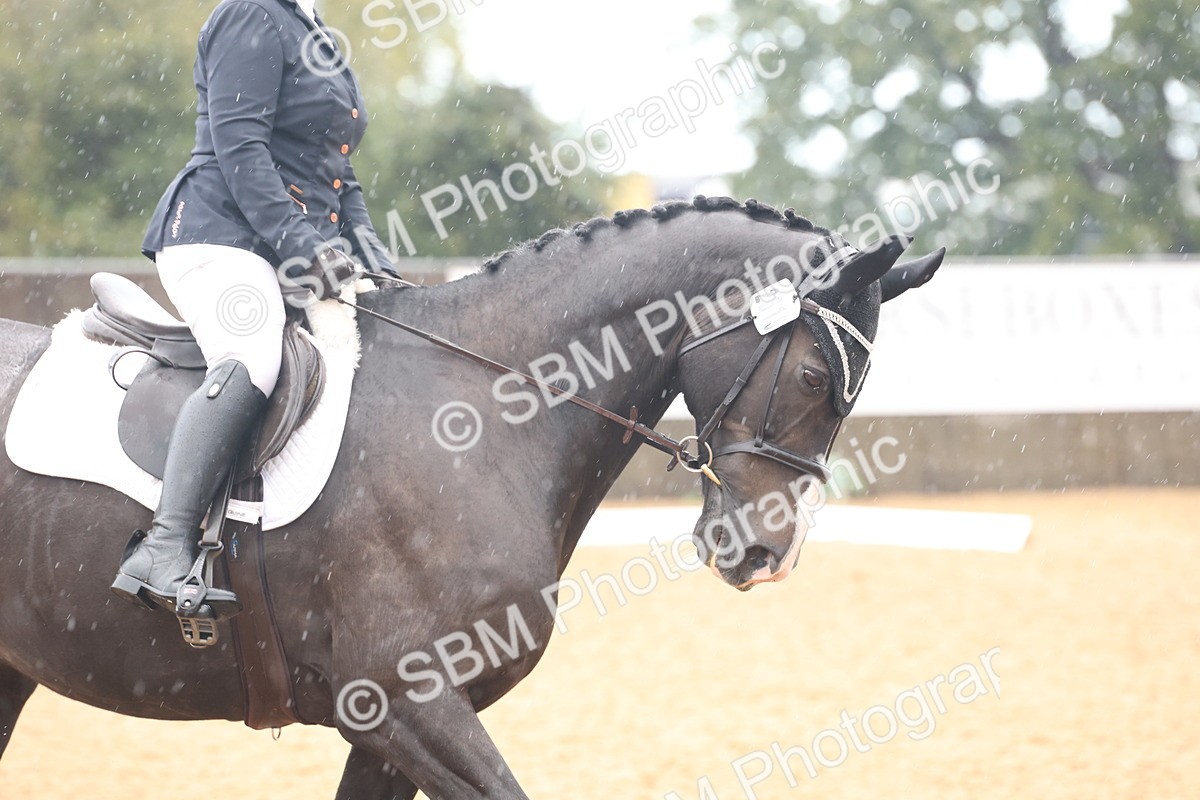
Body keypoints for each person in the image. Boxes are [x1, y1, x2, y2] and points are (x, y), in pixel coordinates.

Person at [111, 0, 398, 618]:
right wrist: (303, 245)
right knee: (255, 357)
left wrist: (374, 257)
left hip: (283, 244)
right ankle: (164, 545)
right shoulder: (251, 14)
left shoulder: (312, 27)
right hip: (217, 237)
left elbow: (339, 173)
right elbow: (240, 150)